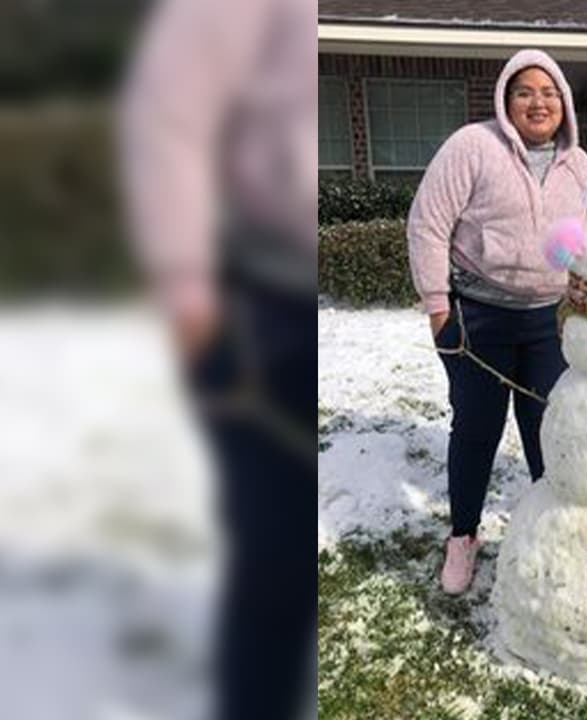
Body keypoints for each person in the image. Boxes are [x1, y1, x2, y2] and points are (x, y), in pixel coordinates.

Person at [120, 0, 316, 716]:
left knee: (282, 562)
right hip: (256, 309)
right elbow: (167, 121)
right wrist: (182, 281)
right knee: (271, 561)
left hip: (293, 299)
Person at [407, 49, 587, 595]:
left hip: (549, 322)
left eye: (549, 92)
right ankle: (463, 537)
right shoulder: (472, 146)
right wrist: (439, 307)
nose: (538, 102)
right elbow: (427, 224)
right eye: (525, 92)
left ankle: (551, 532)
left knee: (549, 432)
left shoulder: (580, 166)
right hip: (478, 319)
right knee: (475, 429)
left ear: (564, 103)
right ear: (505, 100)